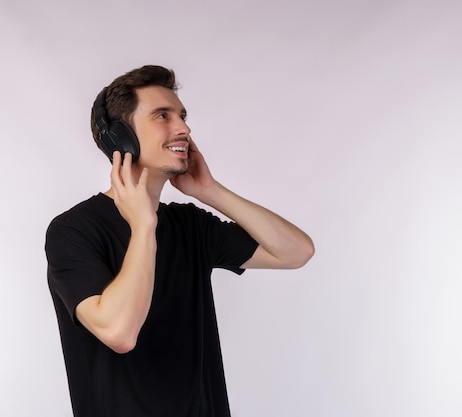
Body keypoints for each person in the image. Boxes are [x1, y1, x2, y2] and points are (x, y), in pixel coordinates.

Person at [45, 65, 314, 417]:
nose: (184, 128)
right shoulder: (73, 230)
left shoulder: (190, 225)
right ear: (121, 139)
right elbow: (119, 332)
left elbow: (296, 252)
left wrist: (210, 191)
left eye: (182, 116)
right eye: (163, 116)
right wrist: (143, 226)